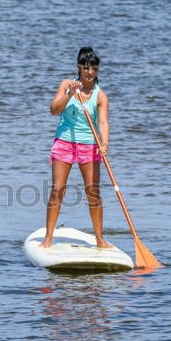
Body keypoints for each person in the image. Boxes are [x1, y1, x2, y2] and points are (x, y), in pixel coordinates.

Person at [41, 46, 111, 249]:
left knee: (93, 192)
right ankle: (48, 238)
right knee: (57, 190)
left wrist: (105, 144)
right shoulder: (67, 85)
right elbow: (54, 110)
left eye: (94, 68)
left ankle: (99, 239)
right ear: (78, 68)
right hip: (64, 142)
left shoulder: (100, 96)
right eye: (86, 68)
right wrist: (69, 95)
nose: (90, 72)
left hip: (89, 145)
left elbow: (104, 123)